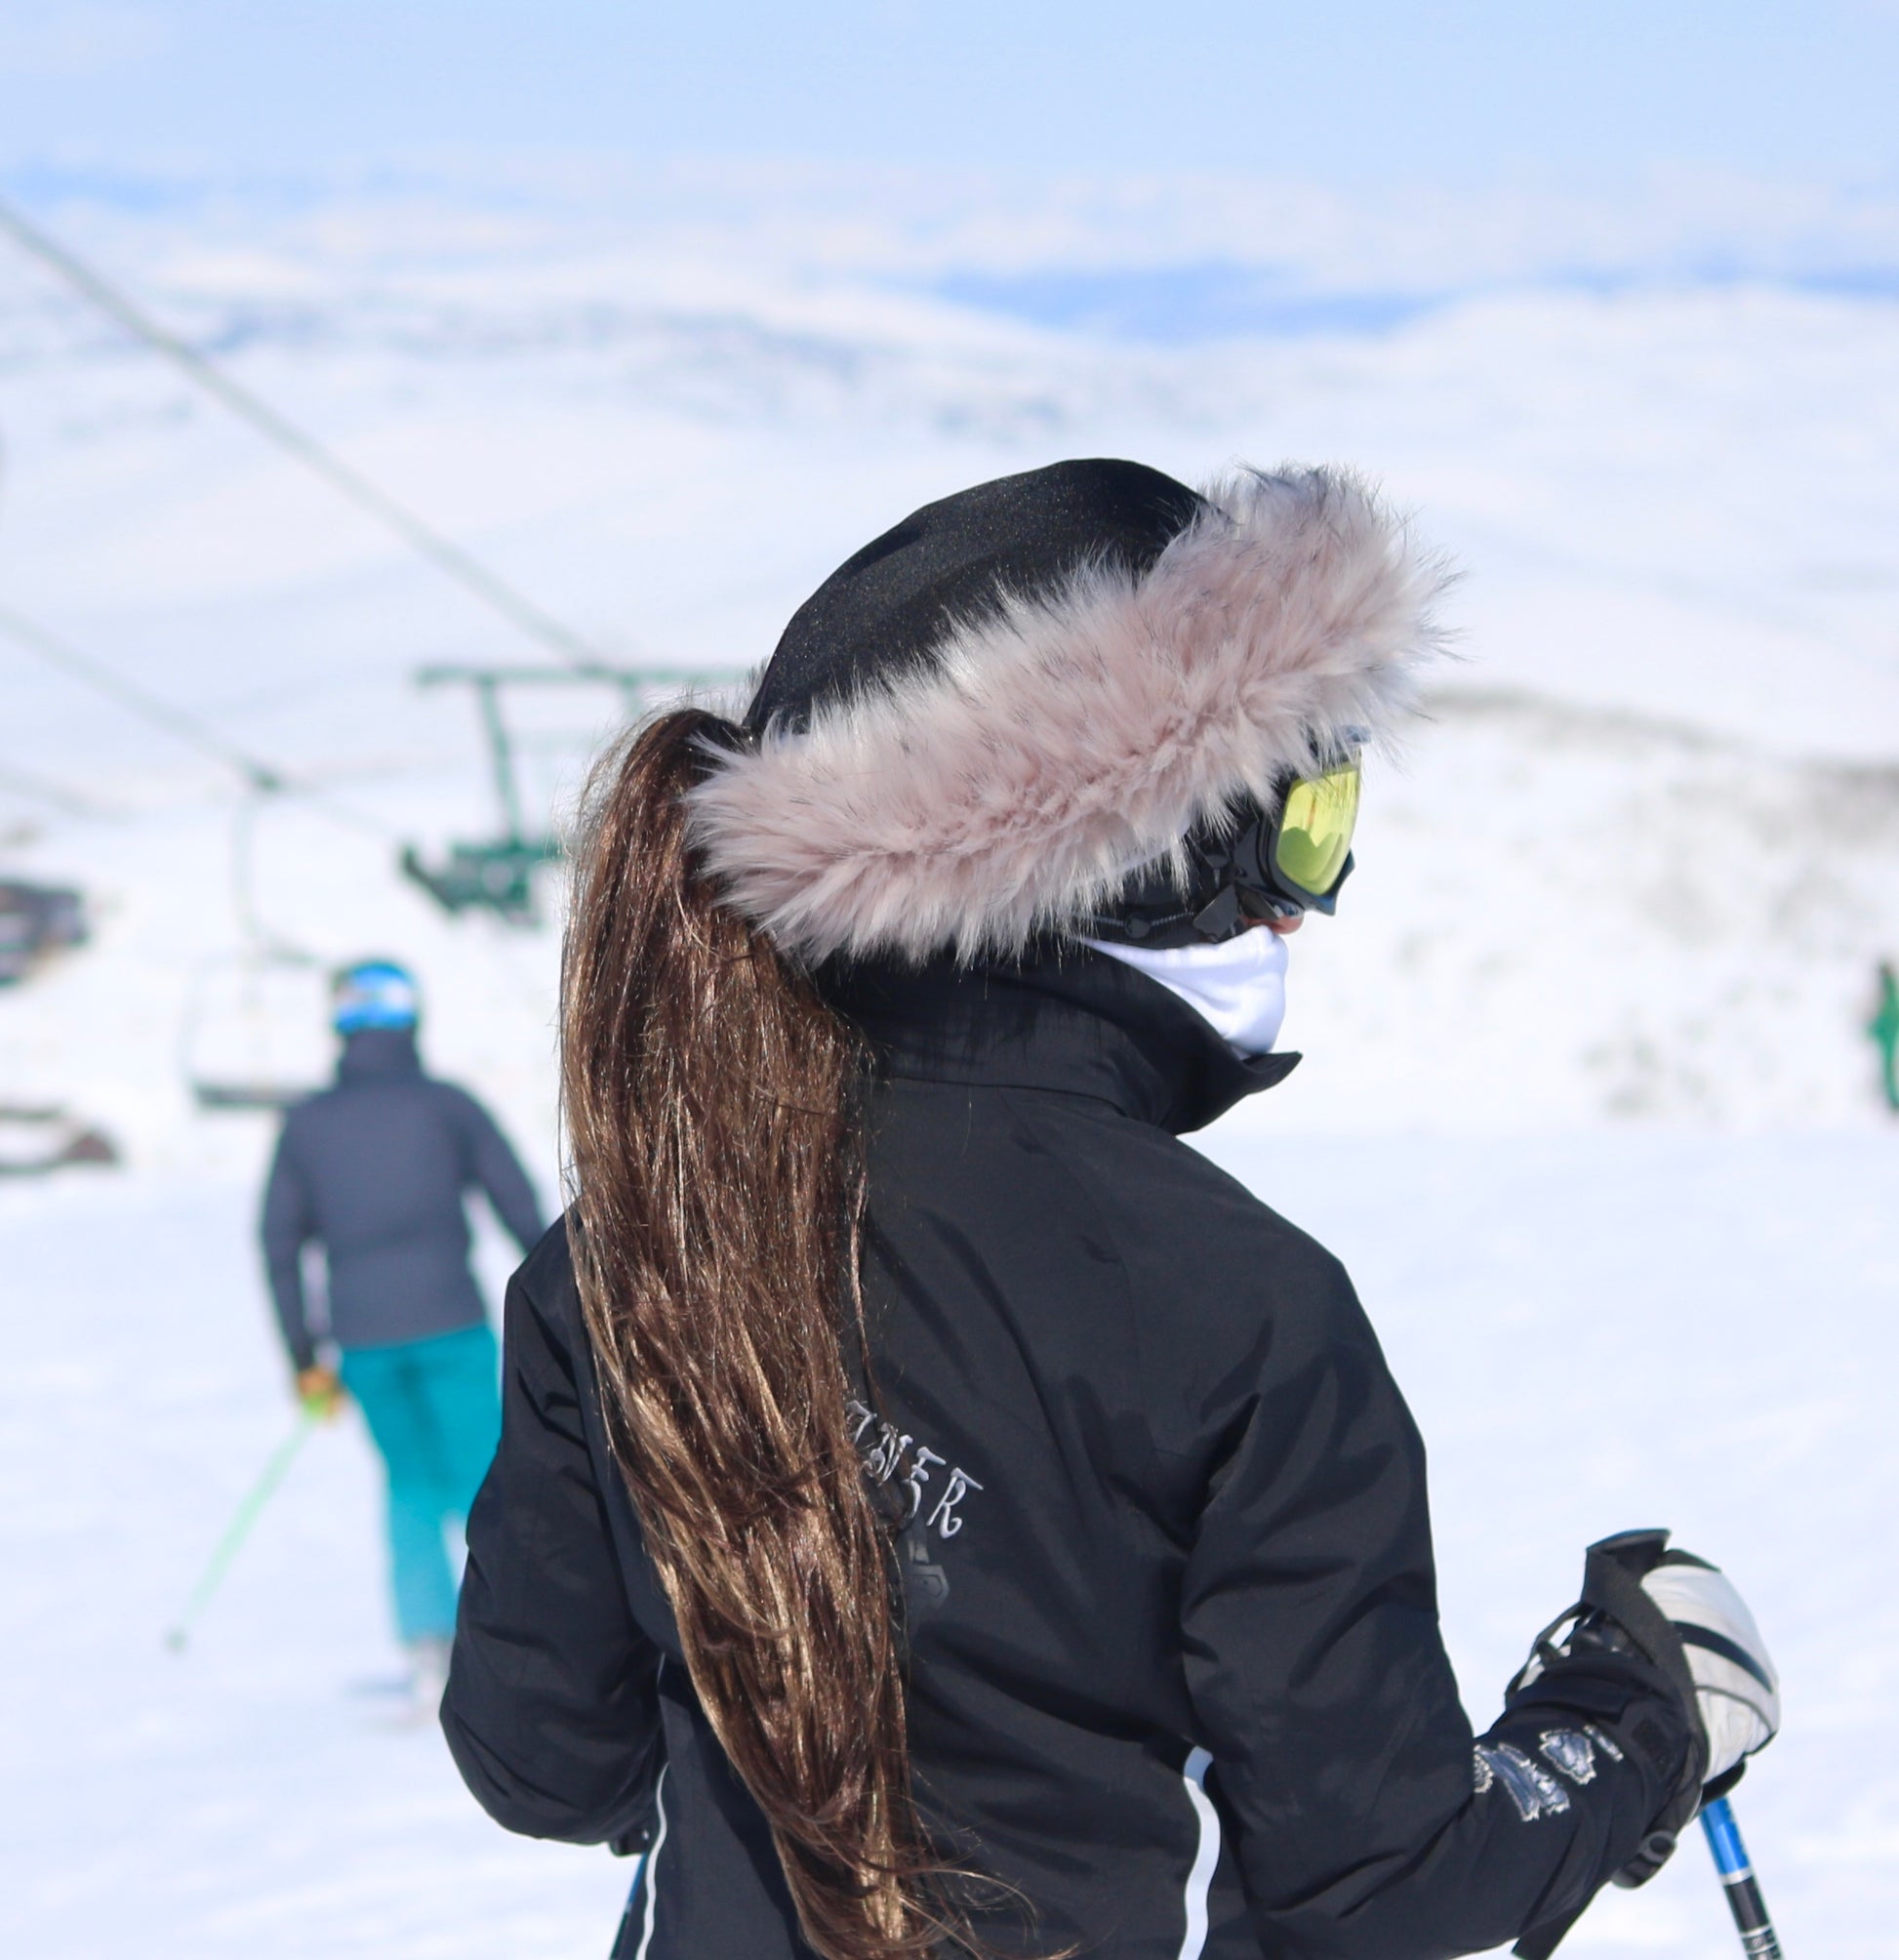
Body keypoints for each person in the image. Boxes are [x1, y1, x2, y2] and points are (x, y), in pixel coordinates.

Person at [441, 462, 1780, 1959]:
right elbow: (1375, 1881)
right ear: (1135, 853)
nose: (1303, 902)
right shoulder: (1236, 1312)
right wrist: (1640, 1712)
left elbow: (545, 1761)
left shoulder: (631, 1244)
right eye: (1303, 822)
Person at [261, 958, 544, 1702]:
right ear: (412, 1019)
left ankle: (428, 1644)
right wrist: (571, 1303)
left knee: (409, 1484)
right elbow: (517, 1205)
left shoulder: (306, 1124)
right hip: (450, 1321)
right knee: (487, 1476)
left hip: (363, 1342)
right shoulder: (446, 1106)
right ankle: (522, 1629)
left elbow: (280, 1245)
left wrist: (303, 1356)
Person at [1869, 959, 1899, 1113]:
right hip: (1888, 1034)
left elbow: (1890, 1014)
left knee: (1889, 1067)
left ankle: (1894, 1100)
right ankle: (1892, 1099)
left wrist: (1876, 1029)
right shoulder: (1887, 989)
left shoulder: (1890, 990)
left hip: (1890, 1034)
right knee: (1887, 1068)